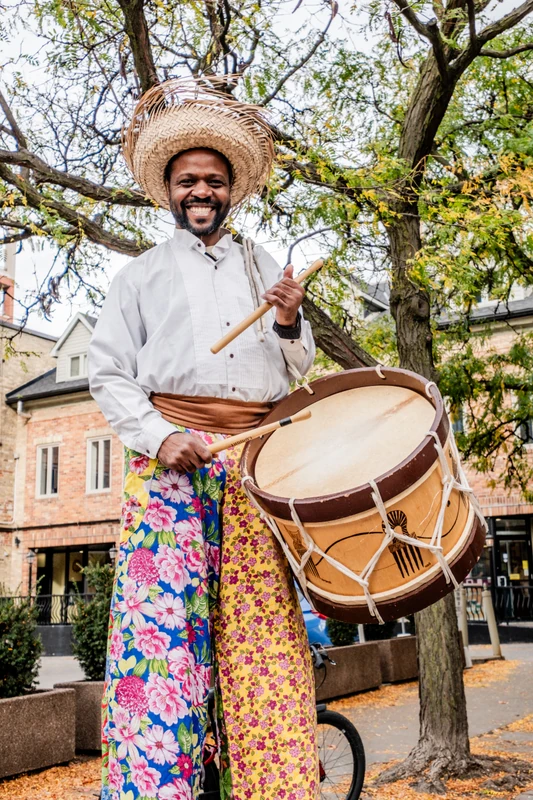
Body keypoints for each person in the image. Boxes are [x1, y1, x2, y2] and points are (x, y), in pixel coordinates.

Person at [89, 78, 319, 800]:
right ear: (168, 190)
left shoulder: (263, 270)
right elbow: (106, 373)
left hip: (252, 464)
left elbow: (296, 369)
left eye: (213, 181)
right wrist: (160, 438)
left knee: (263, 640)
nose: (201, 191)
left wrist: (287, 320)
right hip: (169, 470)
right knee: (162, 641)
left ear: (230, 193)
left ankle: (275, 787)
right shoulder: (139, 277)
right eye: (187, 179)